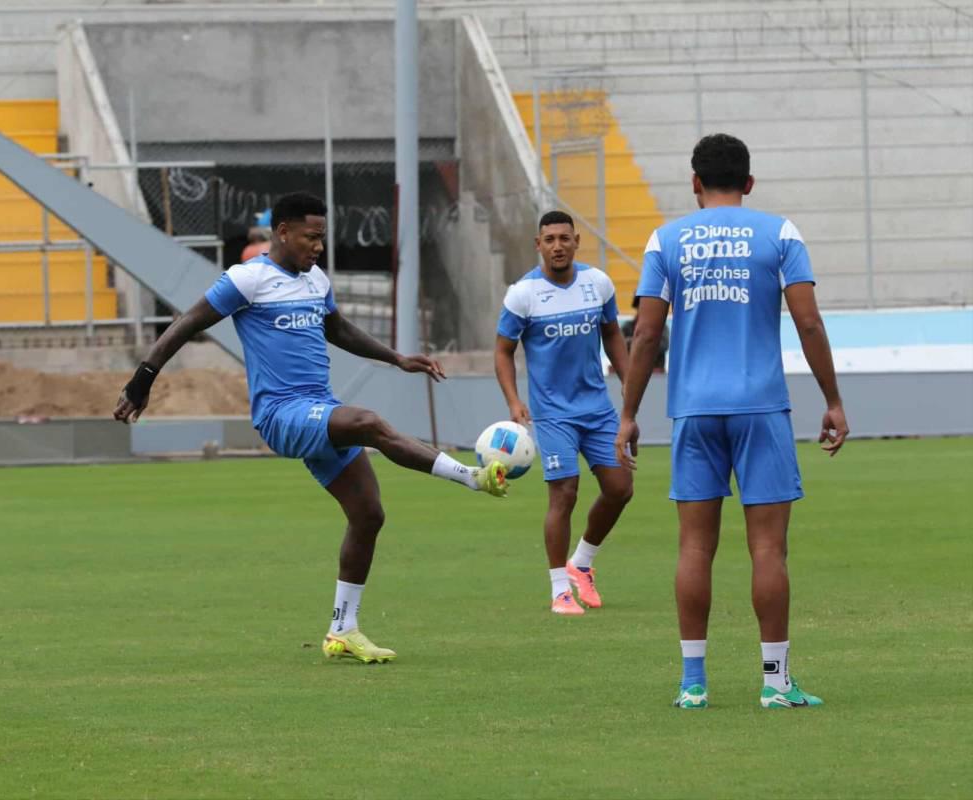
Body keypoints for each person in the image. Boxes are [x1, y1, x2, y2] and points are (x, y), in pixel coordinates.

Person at [114, 191, 508, 664]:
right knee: (368, 422)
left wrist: (396, 358)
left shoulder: (315, 280)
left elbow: (337, 329)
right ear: (283, 233)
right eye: (312, 236)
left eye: (323, 237)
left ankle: (343, 629)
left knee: (368, 514)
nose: (319, 246)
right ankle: (472, 477)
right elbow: (186, 323)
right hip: (281, 413)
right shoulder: (248, 279)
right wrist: (143, 379)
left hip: (318, 410)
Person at [615, 134, 849, 710]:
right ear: (749, 183)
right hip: (760, 407)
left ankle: (693, 683)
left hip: (693, 409)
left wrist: (627, 413)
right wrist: (833, 400)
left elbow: (645, 333)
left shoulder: (665, 240)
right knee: (768, 550)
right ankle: (775, 683)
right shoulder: (780, 233)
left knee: (694, 548)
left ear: (695, 183)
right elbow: (809, 323)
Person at [494, 211, 633, 616]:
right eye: (549, 239)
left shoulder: (598, 284)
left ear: (576, 241)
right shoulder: (523, 293)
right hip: (553, 412)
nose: (557, 245)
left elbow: (611, 334)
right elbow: (503, 351)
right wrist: (514, 401)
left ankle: (582, 564)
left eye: (564, 238)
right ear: (538, 245)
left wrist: (629, 382)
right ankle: (559, 590)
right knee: (564, 493)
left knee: (620, 488)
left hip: (597, 408)